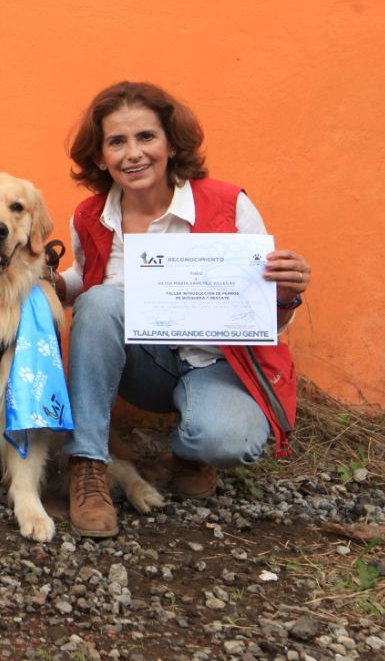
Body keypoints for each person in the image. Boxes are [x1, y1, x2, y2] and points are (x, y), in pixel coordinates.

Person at [56, 81, 311, 537]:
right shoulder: (91, 215)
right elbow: (85, 280)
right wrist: (51, 283)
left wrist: (284, 292)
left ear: (171, 144)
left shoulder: (229, 204)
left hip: (220, 362)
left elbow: (264, 312)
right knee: (99, 302)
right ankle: (89, 466)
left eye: (146, 137)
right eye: (117, 142)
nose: (133, 153)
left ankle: (189, 449)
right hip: (144, 362)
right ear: (100, 157)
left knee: (226, 441)